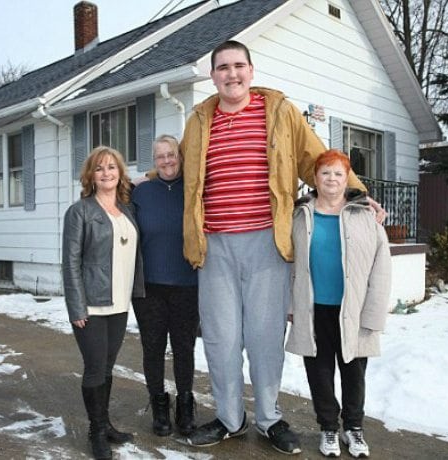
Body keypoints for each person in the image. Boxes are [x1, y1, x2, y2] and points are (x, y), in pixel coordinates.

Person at [181, 40, 383, 455]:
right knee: (220, 339)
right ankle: (229, 418)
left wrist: (358, 193)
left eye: (238, 66)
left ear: (251, 72)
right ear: (213, 74)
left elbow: (315, 160)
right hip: (213, 246)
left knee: (264, 335)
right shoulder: (199, 120)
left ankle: (270, 417)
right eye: (222, 67)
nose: (231, 74)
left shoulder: (280, 112)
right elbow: (183, 167)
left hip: (267, 243)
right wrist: (150, 177)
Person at [286, 150, 391, 458]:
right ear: (315, 179)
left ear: (347, 180)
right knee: (319, 372)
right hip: (313, 309)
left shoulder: (365, 216)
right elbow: (289, 264)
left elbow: (380, 267)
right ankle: (329, 427)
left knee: (353, 372)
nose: (331, 179)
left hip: (353, 310)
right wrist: (289, 305)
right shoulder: (299, 215)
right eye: (325, 173)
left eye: (338, 174)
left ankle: (354, 428)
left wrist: (373, 314)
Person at [62, 146, 144, 460]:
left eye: (112, 167)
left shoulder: (127, 209)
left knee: (108, 368)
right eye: (100, 168)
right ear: (91, 176)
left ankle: (106, 423)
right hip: (93, 305)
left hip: (120, 303)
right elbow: (70, 262)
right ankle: (96, 432)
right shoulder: (80, 211)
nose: (106, 173)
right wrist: (77, 307)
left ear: (120, 172)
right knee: (95, 370)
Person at [131, 135, 199, 437]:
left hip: (188, 283)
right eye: (160, 157)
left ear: (180, 156)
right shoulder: (141, 193)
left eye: (172, 155)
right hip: (149, 287)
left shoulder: (195, 188)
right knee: (153, 347)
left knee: (184, 347)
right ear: (153, 161)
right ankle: (159, 403)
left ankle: (185, 401)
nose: (167, 161)